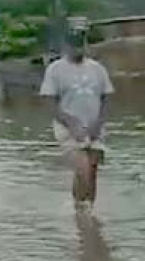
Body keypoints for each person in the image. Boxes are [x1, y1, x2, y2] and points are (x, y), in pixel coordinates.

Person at [40, 30, 115, 213]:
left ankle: (85, 209)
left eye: (81, 44)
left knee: (92, 171)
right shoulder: (55, 69)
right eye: (73, 45)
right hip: (68, 128)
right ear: (66, 47)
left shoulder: (97, 68)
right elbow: (48, 102)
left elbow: (107, 97)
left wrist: (99, 123)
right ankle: (83, 212)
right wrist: (71, 123)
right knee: (83, 170)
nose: (78, 49)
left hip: (95, 126)